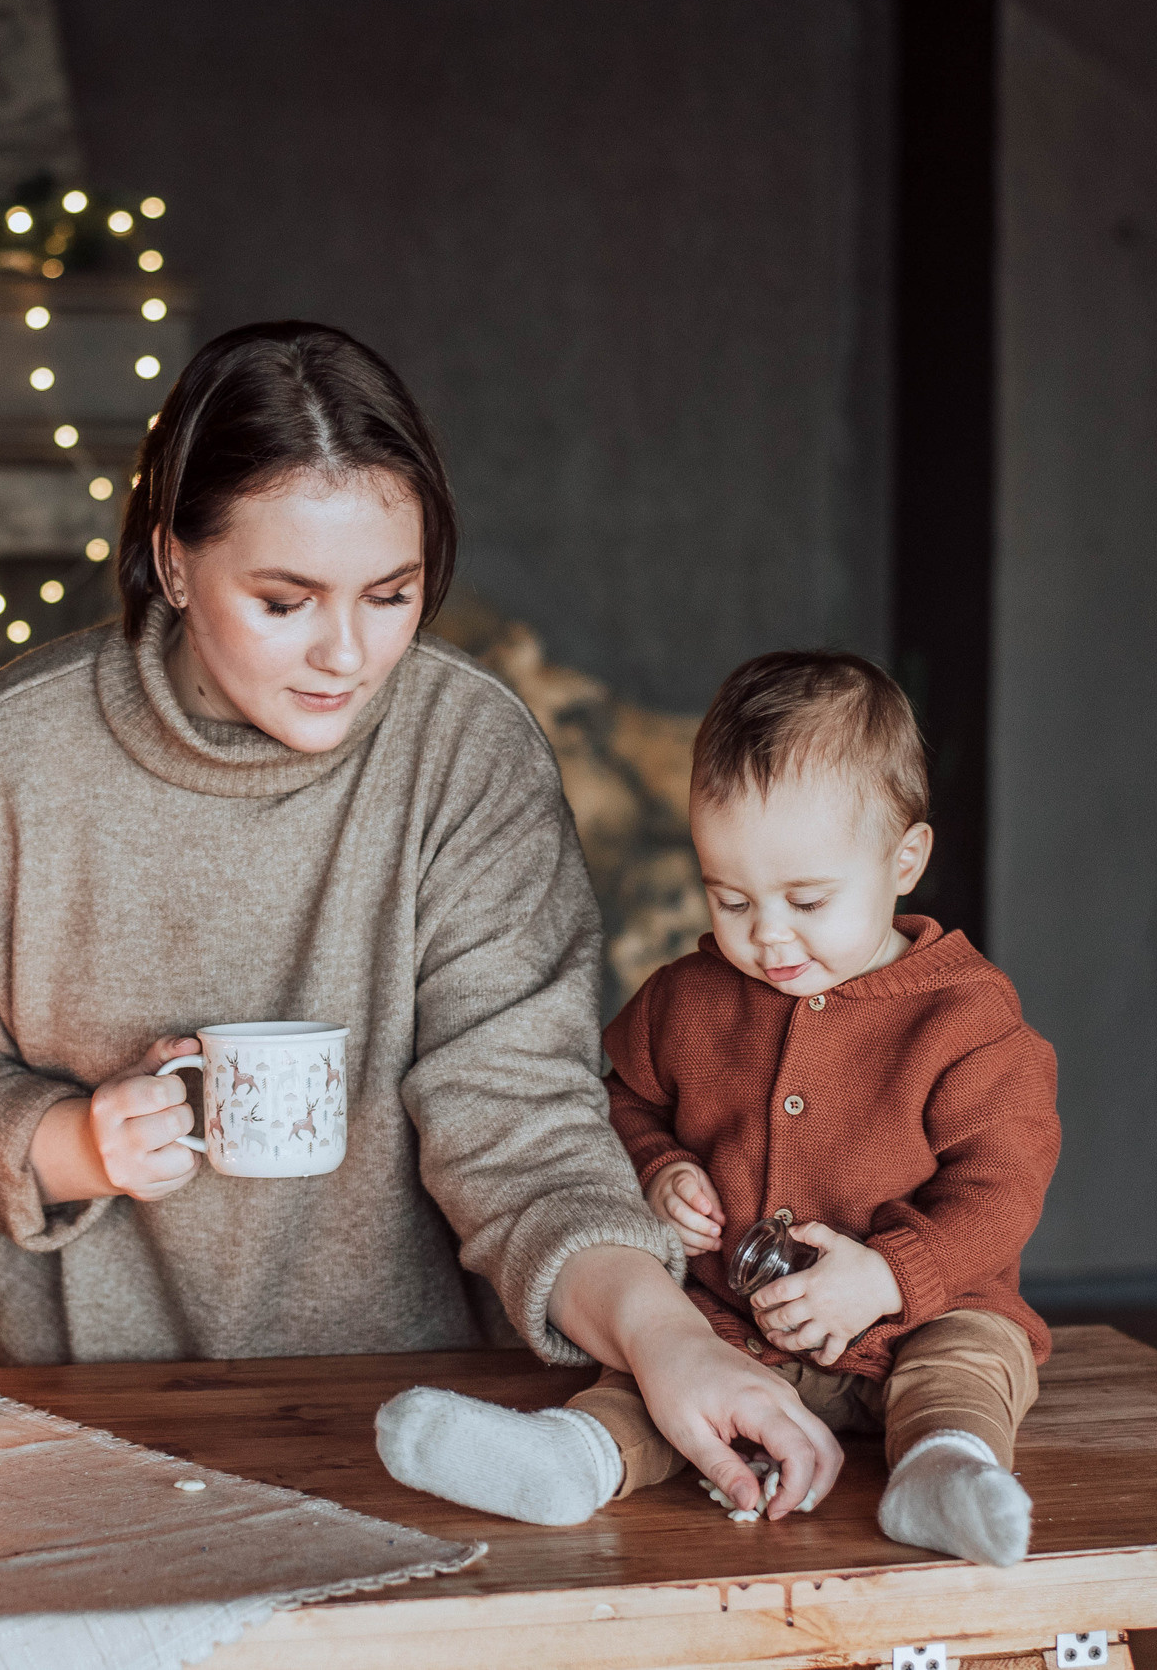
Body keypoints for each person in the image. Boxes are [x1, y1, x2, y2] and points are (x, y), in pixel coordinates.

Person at [0, 321, 842, 1518]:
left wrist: (662, 1332)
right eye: (283, 599)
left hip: (422, 1423)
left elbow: (517, 1118)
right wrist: (76, 1143)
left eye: (390, 595)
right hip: (82, 1425)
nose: (345, 653)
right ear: (171, 562)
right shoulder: (4, 765)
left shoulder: (465, 753)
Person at [376, 651, 1060, 1564]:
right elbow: (609, 1102)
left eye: (806, 899)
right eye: (730, 897)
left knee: (969, 1366)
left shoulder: (965, 1017)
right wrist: (661, 1168)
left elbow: (1004, 1183)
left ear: (905, 860)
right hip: (729, 1327)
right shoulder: (687, 998)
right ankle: (572, 1460)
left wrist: (890, 1277)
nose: (767, 934)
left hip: (921, 1317)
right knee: (649, 1378)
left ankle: (943, 1474)